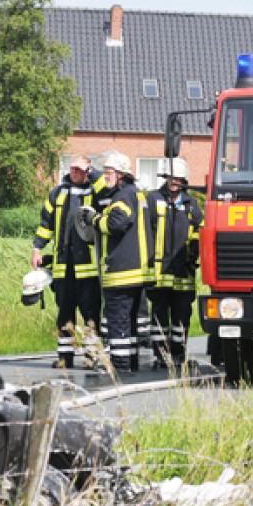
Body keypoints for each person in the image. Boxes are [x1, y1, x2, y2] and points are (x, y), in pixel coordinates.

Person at [80, 152, 154, 372]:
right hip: (137, 270)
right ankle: (130, 362)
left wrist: (95, 220)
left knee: (119, 320)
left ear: (121, 174)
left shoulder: (122, 197)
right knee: (129, 320)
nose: (106, 176)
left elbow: (117, 224)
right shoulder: (137, 194)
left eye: (109, 172)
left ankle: (120, 364)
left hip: (122, 270)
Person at [32, 155, 106, 369]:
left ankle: (92, 355)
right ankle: (65, 356)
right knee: (64, 311)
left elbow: (107, 189)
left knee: (90, 312)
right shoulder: (58, 192)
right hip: (63, 265)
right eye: (72, 168)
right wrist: (37, 247)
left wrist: (94, 174)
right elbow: (46, 223)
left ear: (88, 170)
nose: (74, 172)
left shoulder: (95, 191)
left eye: (79, 169)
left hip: (88, 267)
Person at [147, 158, 204, 369]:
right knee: (159, 315)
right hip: (160, 272)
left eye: (177, 179)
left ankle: (179, 355)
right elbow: (146, 232)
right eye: (170, 178)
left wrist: (193, 257)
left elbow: (200, 232)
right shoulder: (153, 199)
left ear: (184, 180)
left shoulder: (191, 204)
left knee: (181, 317)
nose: (173, 182)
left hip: (183, 272)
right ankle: (161, 356)